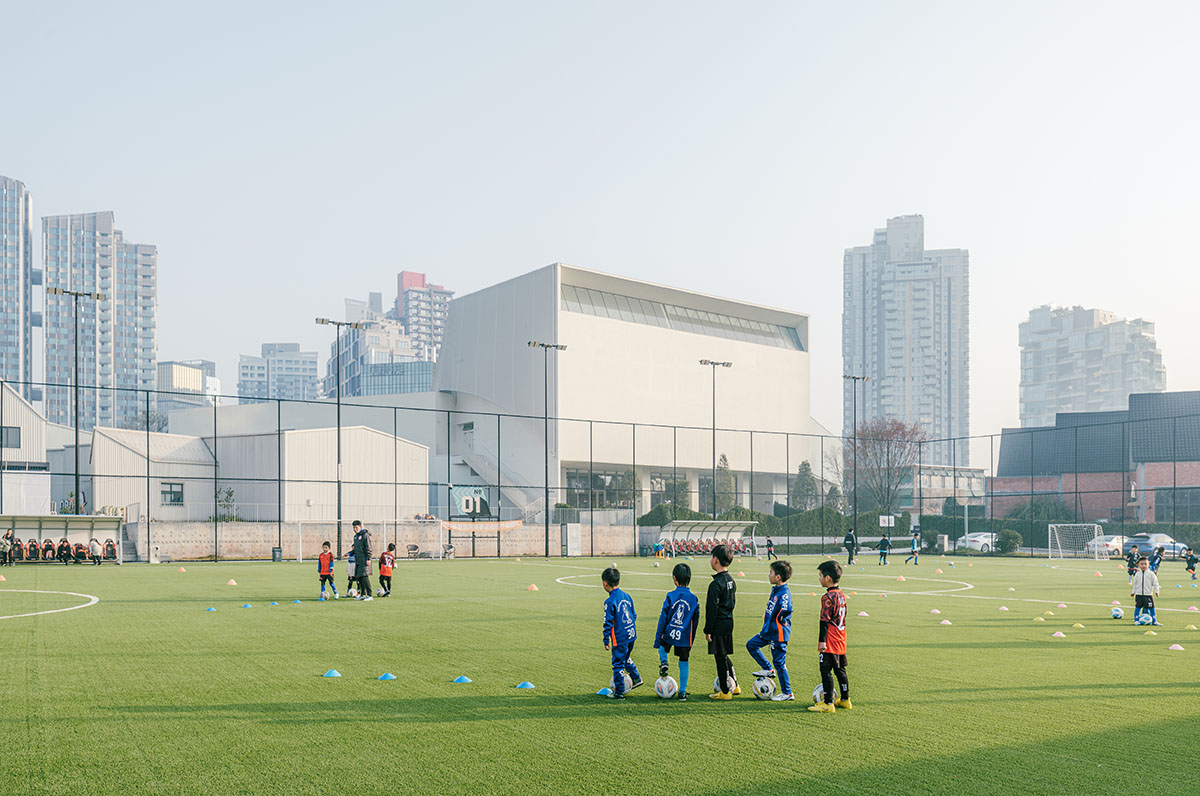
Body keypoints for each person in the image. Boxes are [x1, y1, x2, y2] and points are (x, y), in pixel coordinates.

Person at [746, 559, 794, 701]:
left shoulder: (784, 592)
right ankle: (768, 668)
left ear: (778, 577)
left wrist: (781, 620)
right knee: (751, 645)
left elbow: (786, 609)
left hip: (778, 634)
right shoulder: (776, 590)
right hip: (768, 631)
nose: (769, 575)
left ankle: (787, 693)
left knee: (779, 663)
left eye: (771, 572)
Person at [808, 559, 851, 713]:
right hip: (841, 637)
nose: (819, 578)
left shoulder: (827, 597)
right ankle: (845, 700)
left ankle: (828, 703)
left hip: (830, 640)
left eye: (820, 575)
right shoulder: (841, 595)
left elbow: (824, 621)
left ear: (828, 578)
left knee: (825, 669)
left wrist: (821, 642)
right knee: (840, 670)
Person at [654, 561, 699, 702]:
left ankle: (664, 662)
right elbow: (695, 620)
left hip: (669, 632)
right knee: (684, 661)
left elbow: (663, 617)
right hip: (685, 635)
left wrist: (657, 639)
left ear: (674, 579)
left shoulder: (670, 596)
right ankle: (682, 693)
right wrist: (691, 640)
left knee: (663, 647)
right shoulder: (693, 598)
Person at [601, 567, 642, 699]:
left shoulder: (609, 601)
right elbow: (634, 615)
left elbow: (608, 622)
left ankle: (619, 692)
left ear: (604, 583)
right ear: (619, 581)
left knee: (618, 663)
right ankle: (636, 678)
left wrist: (606, 639)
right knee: (626, 657)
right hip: (631, 634)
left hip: (620, 637)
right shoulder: (627, 596)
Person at [705, 543, 739, 700]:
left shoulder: (715, 584)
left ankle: (725, 691)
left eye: (711, 557)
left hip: (718, 624)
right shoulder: (731, 580)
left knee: (719, 656)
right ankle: (735, 685)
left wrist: (708, 630)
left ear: (716, 560)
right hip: (729, 621)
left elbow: (711, 609)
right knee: (724, 653)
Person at [1131, 556, 1161, 626]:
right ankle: (1136, 620)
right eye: (1142, 564)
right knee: (1137, 608)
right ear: (1138, 565)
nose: (1143, 566)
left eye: (1145, 564)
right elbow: (1135, 584)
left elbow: (1155, 583)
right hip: (1139, 595)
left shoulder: (1151, 574)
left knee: (1152, 608)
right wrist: (1133, 592)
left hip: (1148, 595)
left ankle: (1154, 621)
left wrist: (1157, 591)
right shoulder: (1137, 574)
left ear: (1148, 565)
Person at [350, 521, 373, 601]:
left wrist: (368, 558)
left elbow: (368, 547)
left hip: (364, 559)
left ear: (360, 527)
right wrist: (350, 553)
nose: (355, 529)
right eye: (353, 528)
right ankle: (363, 594)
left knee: (364, 577)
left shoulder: (365, 535)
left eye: (356, 527)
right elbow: (356, 548)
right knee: (359, 577)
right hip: (358, 560)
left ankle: (370, 595)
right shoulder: (356, 537)